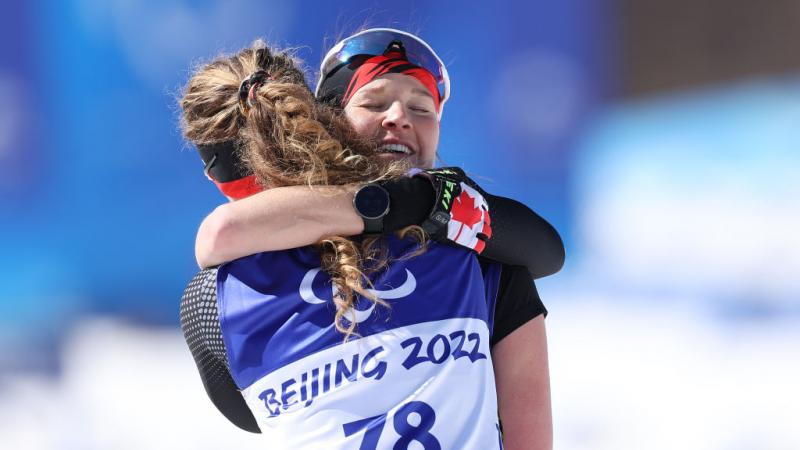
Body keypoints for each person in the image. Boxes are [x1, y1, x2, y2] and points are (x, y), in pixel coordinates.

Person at [180, 29, 556, 450]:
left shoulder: (216, 297)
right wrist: (414, 200)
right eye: (374, 103)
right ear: (324, 122)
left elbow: (253, 417)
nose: (398, 116)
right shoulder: (470, 246)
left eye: (421, 106)